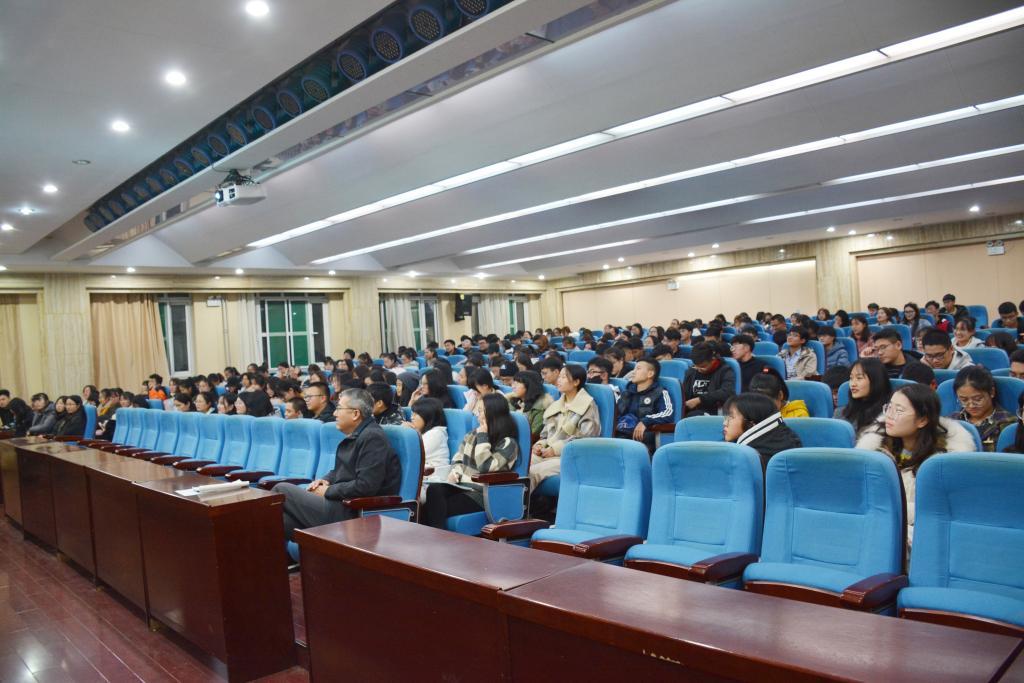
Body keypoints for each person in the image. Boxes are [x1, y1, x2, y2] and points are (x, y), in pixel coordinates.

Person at [274, 389, 401, 544]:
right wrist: (325, 480)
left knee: (281, 490)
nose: (334, 414)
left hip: (353, 512)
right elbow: (340, 471)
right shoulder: (358, 435)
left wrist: (328, 491)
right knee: (280, 521)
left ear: (355, 414)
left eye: (339, 408)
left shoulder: (372, 437)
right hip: (340, 504)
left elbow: (366, 486)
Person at [875, 383, 975, 541]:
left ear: (922, 420)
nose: (889, 415)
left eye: (899, 410)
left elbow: (939, 513)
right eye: (889, 407)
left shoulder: (944, 461)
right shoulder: (876, 450)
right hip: (881, 524)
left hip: (924, 533)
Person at [421, 393, 520, 528]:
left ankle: (436, 538)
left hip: (483, 493)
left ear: (493, 413)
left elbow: (485, 467)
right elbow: (457, 459)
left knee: (433, 509)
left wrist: (483, 436)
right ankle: (436, 537)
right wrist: (455, 472)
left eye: (481, 411)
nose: (477, 415)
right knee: (434, 490)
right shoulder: (472, 435)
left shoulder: (508, 443)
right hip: (461, 486)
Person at [530, 365, 601, 491]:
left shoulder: (587, 406)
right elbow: (545, 435)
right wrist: (539, 445)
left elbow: (586, 439)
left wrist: (555, 449)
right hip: (547, 452)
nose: (559, 380)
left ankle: (517, 503)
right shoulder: (556, 406)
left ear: (576, 382)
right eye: (559, 377)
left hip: (572, 457)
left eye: (564, 377)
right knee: (520, 465)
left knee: (532, 473)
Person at [722, 393, 802, 472]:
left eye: (731, 417)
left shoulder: (754, 460)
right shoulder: (785, 439)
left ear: (751, 423)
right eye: (726, 417)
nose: (725, 423)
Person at [948, 366, 1015, 452]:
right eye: (964, 400)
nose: (971, 405)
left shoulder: (1008, 423)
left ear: (992, 392)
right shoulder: (951, 421)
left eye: (977, 399)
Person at [614, 358, 673, 453]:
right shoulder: (627, 392)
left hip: (643, 437)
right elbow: (615, 413)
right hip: (622, 432)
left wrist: (645, 422)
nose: (633, 372)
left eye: (638, 368)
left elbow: (667, 413)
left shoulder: (660, 392)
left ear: (650, 374)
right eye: (634, 369)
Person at [836, 358, 892, 448]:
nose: (852, 384)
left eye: (859, 378)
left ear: (876, 381)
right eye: (851, 378)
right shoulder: (840, 413)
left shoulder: (887, 415)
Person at [681, 342, 736, 417]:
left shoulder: (725, 371)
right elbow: (685, 393)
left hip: (714, 411)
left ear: (713, 359)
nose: (699, 370)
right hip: (693, 411)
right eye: (696, 366)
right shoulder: (692, 371)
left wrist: (700, 400)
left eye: (703, 367)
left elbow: (727, 392)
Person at [406, 397, 450, 471]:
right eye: (412, 414)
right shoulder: (423, 432)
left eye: (415, 414)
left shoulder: (436, 434)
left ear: (427, 416)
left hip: (435, 475)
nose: (411, 418)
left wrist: (406, 434)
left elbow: (412, 455)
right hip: (422, 473)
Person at [508, 370, 552, 437]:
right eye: (513, 383)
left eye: (517, 384)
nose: (513, 387)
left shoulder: (540, 406)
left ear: (529, 385)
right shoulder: (512, 401)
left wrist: (521, 418)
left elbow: (534, 434)